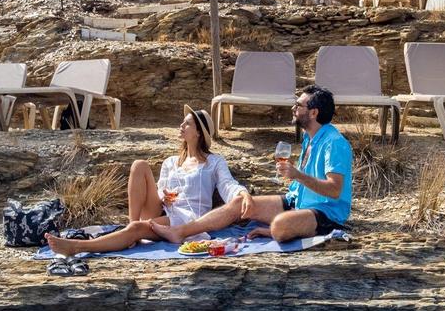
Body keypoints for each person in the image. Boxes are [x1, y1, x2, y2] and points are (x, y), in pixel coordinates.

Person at [150, 85, 352, 244]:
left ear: (314, 112)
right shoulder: (310, 138)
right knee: (241, 204)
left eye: (298, 105)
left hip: (326, 213)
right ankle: (179, 232)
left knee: (280, 226)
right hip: (297, 201)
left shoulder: (333, 143)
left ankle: (279, 229)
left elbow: (334, 190)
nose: (293, 108)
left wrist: (297, 175)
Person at [44, 105, 248, 256]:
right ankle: (131, 228)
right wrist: (163, 196)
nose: (181, 125)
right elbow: (160, 190)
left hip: (189, 218)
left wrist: (242, 193)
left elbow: (226, 184)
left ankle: (78, 247)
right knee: (139, 165)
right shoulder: (171, 162)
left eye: (187, 123)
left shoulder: (214, 162)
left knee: (136, 230)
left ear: (198, 132)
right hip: (165, 209)